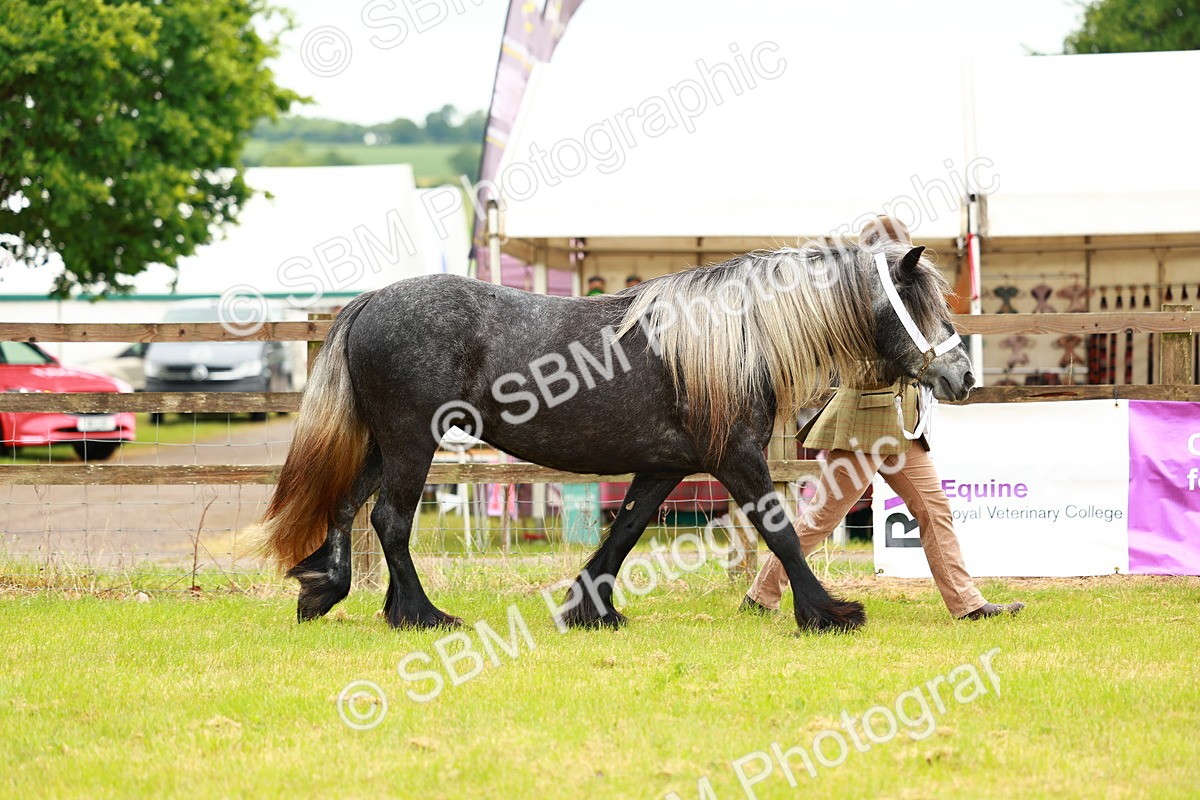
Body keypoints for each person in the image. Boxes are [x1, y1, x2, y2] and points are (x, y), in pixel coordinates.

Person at [741, 217, 1025, 621]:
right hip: (863, 428)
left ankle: (969, 605)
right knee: (822, 519)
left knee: (934, 511)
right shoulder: (855, 299)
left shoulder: (907, 295)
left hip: (904, 429)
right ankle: (761, 596)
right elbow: (856, 368)